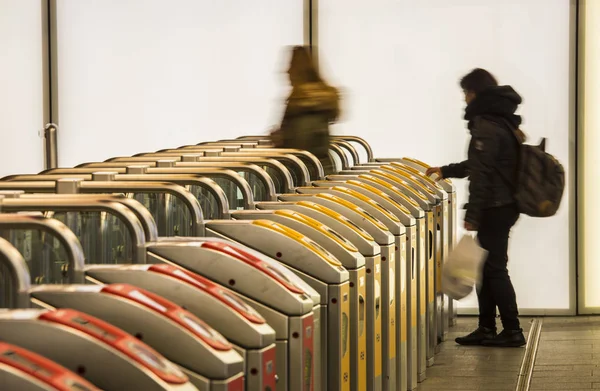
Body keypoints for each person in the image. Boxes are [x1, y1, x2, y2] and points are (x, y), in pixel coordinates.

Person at [426, 68, 526, 348]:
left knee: (494, 269)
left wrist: (473, 215)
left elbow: (482, 175)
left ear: (476, 93)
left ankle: (512, 329)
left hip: (494, 207)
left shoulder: (486, 124)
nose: (465, 99)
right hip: (504, 204)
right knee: (487, 268)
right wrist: (446, 170)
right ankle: (487, 327)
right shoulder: (503, 121)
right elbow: (481, 164)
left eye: (466, 93)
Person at [271, 46, 340, 175]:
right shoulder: (322, 98)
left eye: (290, 65)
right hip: (324, 167)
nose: (286, 71)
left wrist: (279, 139)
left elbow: (299, 143)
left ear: (297, 70)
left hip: (303, 172)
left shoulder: (299, 102)